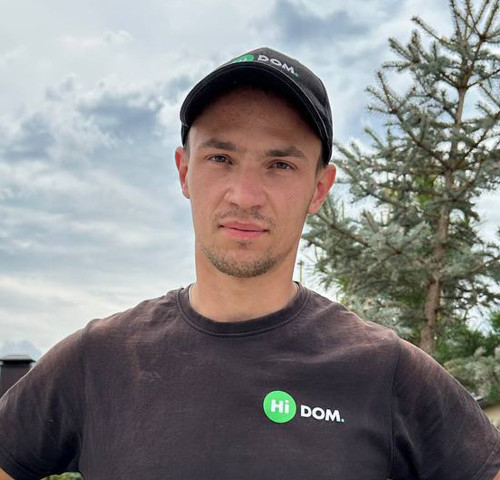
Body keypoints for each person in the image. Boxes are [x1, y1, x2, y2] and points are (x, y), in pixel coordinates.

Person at [0, 47, 499, 480]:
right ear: (184, 171)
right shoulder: (100, 359)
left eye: (280, 164)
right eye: (220, 158)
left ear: (319, 188)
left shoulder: (384, 370)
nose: (245, 195)